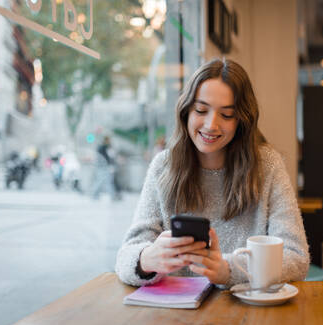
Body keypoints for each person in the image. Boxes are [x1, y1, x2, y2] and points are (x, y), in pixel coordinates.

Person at [115, 58, 309, 287]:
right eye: (201, 110)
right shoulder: (163, 166)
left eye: (226, 115)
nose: (210, 125)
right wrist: (147, 259)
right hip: (177, 315)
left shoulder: (267, 166)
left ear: (241, 121)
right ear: (186, 110)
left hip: (247, 313)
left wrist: (227, 269)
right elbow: (125, 258)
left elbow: (297, 258)